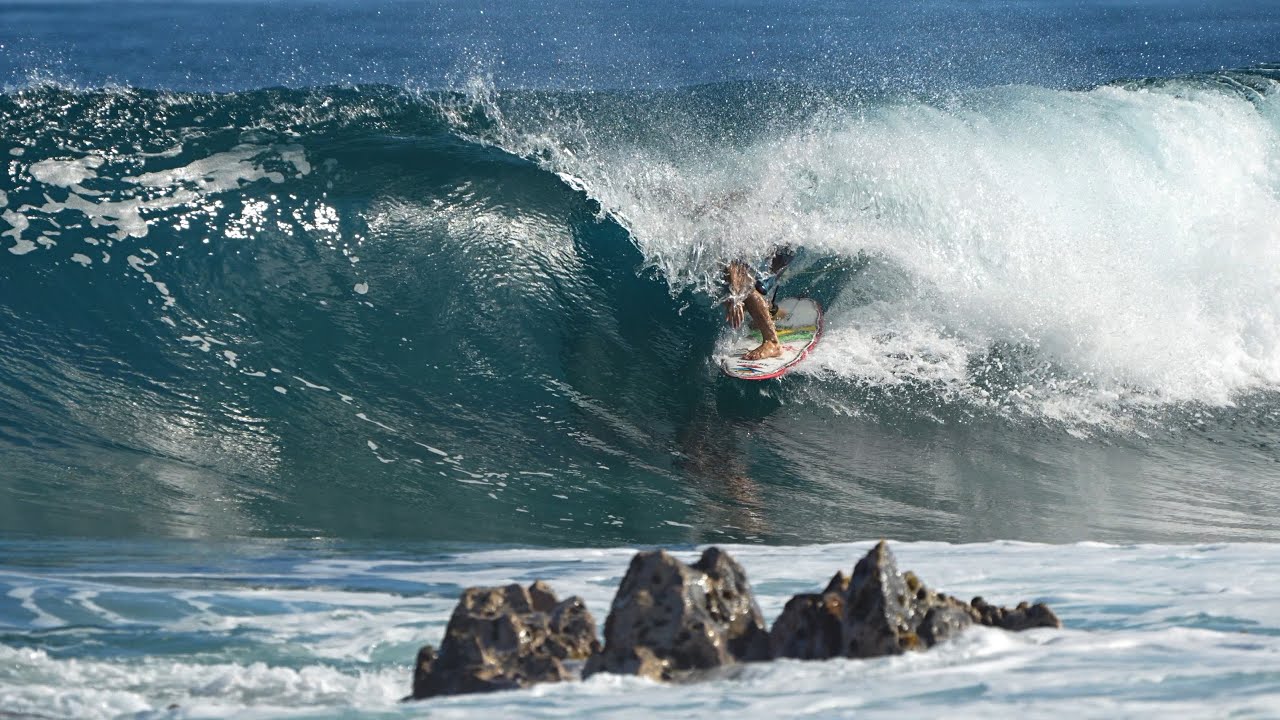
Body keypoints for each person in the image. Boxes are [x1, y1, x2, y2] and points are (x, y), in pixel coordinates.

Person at [722, 247, 795, 360]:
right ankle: (771, 313)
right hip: (780, 245)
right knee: (736, 293)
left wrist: (735, 297)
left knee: (745, 289)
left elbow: (738, 268)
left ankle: (772, 342)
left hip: (783, 248)